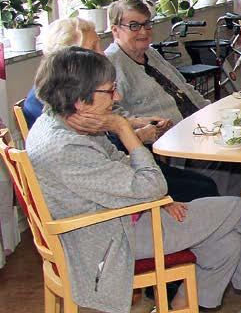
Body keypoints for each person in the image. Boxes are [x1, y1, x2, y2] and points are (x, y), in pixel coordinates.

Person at [26, 48, 241, 313]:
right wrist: (124, 129)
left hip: (114, 220)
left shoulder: (61, 121)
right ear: (81, 100)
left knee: (228, 244)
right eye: (110, 91)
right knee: (236, 210)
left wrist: (157, 198)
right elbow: (151, 182)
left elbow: (120, 167)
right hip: (106, 242)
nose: (116, 98)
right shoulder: (67, 149)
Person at [26, 13, 219, 203]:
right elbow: (96, 161)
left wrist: (132, 123)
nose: (102, 54)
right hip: (118, 184)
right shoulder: (54, 106)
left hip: (123, 168)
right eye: (93, 48)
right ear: (72, 57)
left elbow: (104, 138)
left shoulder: (66, 94)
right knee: (205, 188)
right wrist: (133, 133)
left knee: (206, 184)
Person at [104, 0, 241, 198]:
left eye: (147, 24)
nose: (144, 32)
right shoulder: (110, 63)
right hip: (170, 139)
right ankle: (215, 205)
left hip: (197, 125)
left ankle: (225, 204)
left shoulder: (151, 53)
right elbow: (113, 114)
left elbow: (184, 87)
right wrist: (144, 126)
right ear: (115, 30)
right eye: (134, 26)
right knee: (229, 158)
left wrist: (212, 111)